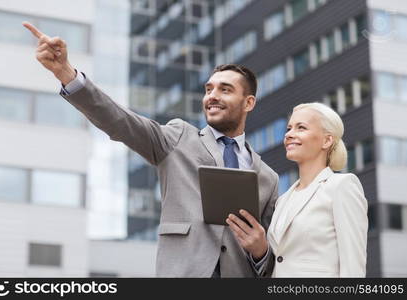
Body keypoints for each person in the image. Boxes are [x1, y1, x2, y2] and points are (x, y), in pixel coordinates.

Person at [23, 22, 279, 278]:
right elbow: (121, 122)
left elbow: (272, 262)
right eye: (209, 89)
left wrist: (261, 251)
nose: (212, 96)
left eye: (225, 90)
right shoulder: (179, 137)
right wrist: (66, 73)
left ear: (249, 102)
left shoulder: (267, 177)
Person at [227, 102, 368, 277]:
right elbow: (280, 262)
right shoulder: (283, 200)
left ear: (327, 140)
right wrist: (260, 249)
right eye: (289, 128)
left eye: (301, 128)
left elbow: (353, 265)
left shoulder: (342, 186)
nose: (289, 135)